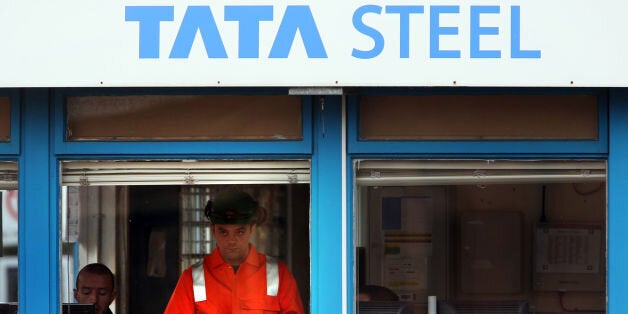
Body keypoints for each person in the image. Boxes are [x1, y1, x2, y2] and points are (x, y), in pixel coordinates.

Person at [165, 190, 305, 314]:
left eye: (240, 231)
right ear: (213, 230)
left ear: (252, 229)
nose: (232, 240)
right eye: (224, 232)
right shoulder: (192, 278)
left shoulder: (279, 274)